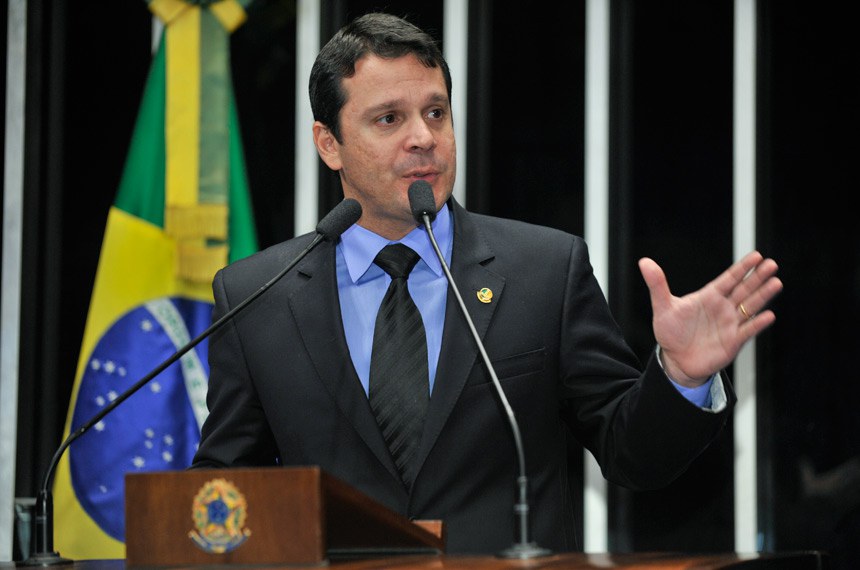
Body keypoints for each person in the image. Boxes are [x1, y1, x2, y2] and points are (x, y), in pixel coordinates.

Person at [191, 12, 782, 554]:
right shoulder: (257, 296)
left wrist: (681, 377)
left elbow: (634, 455)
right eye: (389, 119)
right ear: (329, 144)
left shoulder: (544, 271)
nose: (423, 137)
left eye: (436, 113)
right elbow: (222, 492)